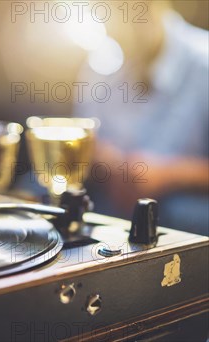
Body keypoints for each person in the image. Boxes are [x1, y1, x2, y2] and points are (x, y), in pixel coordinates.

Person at [74, 1, 208, 235]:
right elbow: (86, 139)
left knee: (181, 211)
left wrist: (167, 174)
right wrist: (108, 161)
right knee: (40, 186)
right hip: (111, 200)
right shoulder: (102, 60)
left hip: (182, 211)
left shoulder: (203, 60)